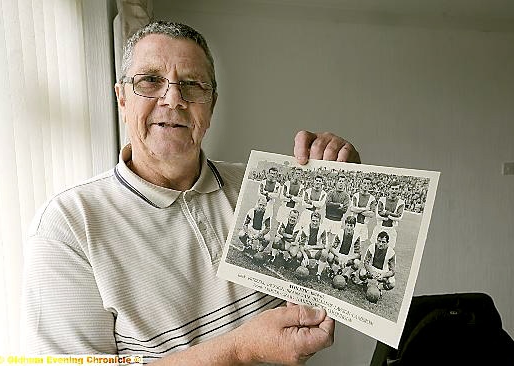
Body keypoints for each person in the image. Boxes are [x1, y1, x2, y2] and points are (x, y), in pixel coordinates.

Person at [21, 21, 360, 365]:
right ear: (122, 99)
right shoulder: (67, 226)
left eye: (192, 85)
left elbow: (337, 283)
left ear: (211, 105)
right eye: (150, 80)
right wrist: (241, 349)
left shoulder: (261, 189)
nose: (173, 99)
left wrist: (343, 184)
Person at [370, 180, 405, 249]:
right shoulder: (382, 200)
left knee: (388, 251)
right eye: (392, 189)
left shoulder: (401, 202)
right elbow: (378, 215)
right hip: (379, 228)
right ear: (389, 189)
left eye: (396, 189)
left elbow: (399, 217)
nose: (394, 191)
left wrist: (386, 213)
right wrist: (393, 215)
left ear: (399, 190)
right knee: (374, 249)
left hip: (391, 230)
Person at [297, 211, 329, 281]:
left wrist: (312, 247)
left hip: (316, 250)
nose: (314, 223)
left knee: (325, 253)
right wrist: (305, 255)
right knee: (299, 255)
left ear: (320, 221)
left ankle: (318, 274)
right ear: (310, 220)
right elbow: (301, 245)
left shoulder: (323, 230)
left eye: (316, 221)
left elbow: (324, 245)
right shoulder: (305, 229)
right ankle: (301, 264)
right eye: (313, 220)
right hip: (307, 250)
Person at [322, 174, 350, 240]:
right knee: (323, 240)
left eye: (343, 181)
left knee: (333, 242)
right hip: (327, 219)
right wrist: (339, 205)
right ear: (336, 182)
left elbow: (344, 209)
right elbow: (328, 204)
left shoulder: (346, 196)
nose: (341, 183)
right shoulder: (331, 193)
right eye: (340, 181)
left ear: (345, 183)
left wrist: (333, 206)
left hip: (337, 221)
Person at [349, 176, 376, 245]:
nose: (366, 185)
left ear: (370, 185)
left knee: (361, 248)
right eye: (364, 183)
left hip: (364, 226)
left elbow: (372, 214)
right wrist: (365, 209)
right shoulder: (356, 195)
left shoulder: (372, 198)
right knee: (351, 245)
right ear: (361, 184)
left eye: (368, 184)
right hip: (354, 224)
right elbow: (352, 208)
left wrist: (358, 210)